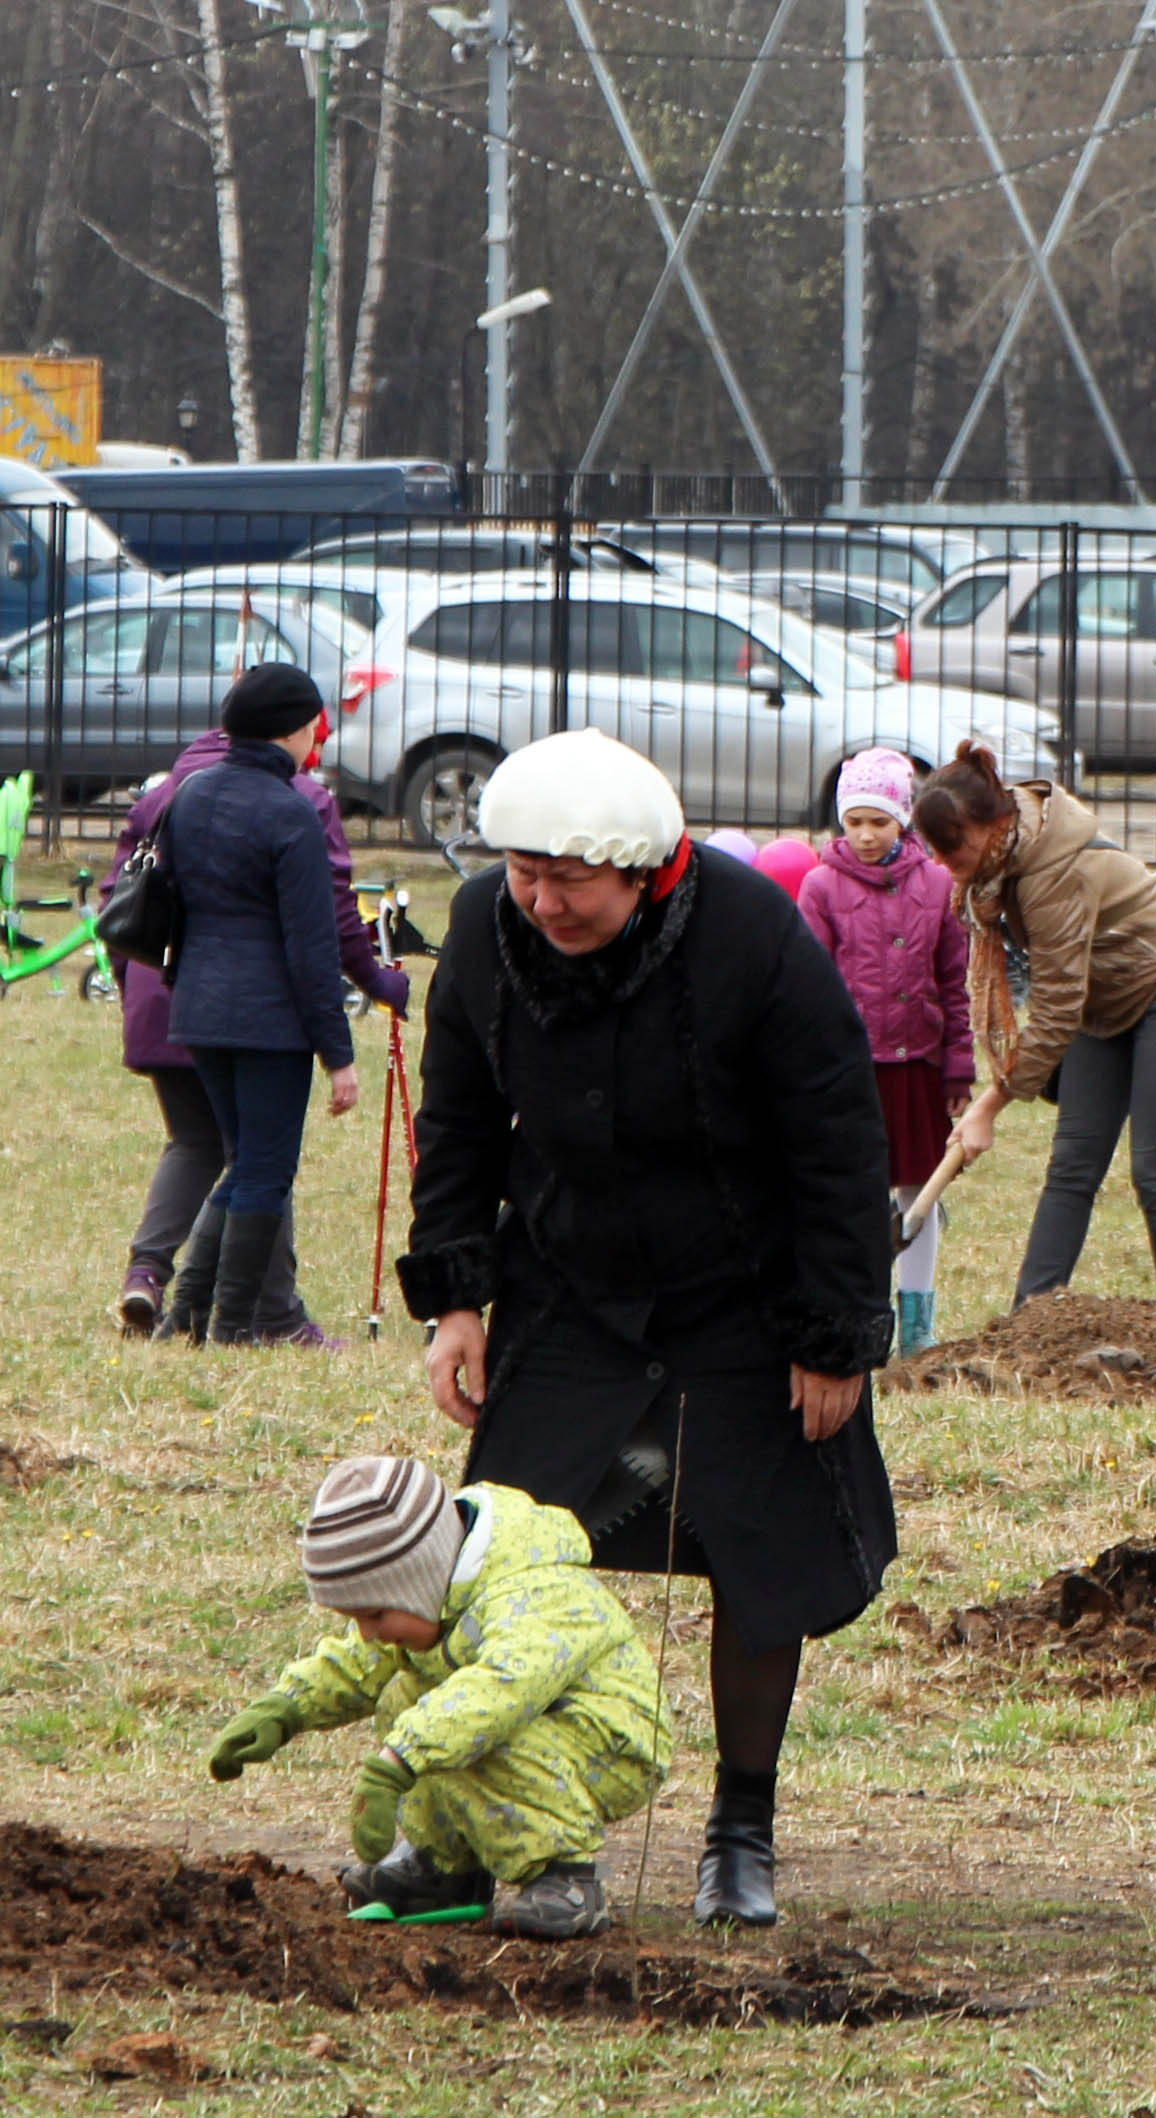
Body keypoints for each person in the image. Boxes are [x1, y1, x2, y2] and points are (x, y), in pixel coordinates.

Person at [399, 728, 893, 1927]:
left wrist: (831, 1334)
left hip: (742, 1296)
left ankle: (740, 1832)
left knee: (759, 1559)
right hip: (571, 1289)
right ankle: (466, 1835)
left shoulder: (752, 937)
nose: (542, 902)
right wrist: (457, 1299)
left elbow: (838, 1138)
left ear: (639, 868)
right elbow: (458, 1122)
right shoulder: (485, 930)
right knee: (494, 1561)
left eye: (570, 880)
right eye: (525, 873)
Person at [206, 1457, 669, 1941]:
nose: (367, 1632)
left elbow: (498, 1695)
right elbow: (360, 1662)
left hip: (611, 1745)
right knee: (406, 1698)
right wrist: (285, 1708)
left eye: (375, 1614)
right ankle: (446, 1869)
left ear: (420, 1578)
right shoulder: (438, 1593)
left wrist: (397, 1761)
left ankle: (566, 1877)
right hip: (538, 1728)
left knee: (472, 1729)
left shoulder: (537, 1593)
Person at [120, 708, 406, 1341]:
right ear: (291, 731)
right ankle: (241, 1322)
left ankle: (187, 1313)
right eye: (313, 728)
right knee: (263, 1170)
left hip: (191, 1006)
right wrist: (340, 1052)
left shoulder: (184, 792)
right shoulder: (295, 808)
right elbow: (316, 939)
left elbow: (145, 895)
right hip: (267, 1018)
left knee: (236, 1160)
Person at [912, 747, 1156, 1307]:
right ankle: (1029, 1320)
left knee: (1155, 1172)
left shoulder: (1051, 873)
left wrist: (988, 1107)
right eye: (932, 847)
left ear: (991, 825)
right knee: (1072, 1167)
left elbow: (1056, 1007)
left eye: (950, 846)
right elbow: (1066, 999)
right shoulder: (1001, 866)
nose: (941, 861)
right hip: (1101, 1005)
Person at [797, 749, 973, 1358]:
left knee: (918, 1192)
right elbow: (808, 987)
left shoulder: (938, 885)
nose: (867, 835)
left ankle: (918, 1324)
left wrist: (957, 1066)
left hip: (917, 1063)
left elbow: (954, 983)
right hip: (852, 1071)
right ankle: (863, 1313)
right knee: (855, 1193)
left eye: (879, 821)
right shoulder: (821, 887)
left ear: (904, 818)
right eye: (854, 822)